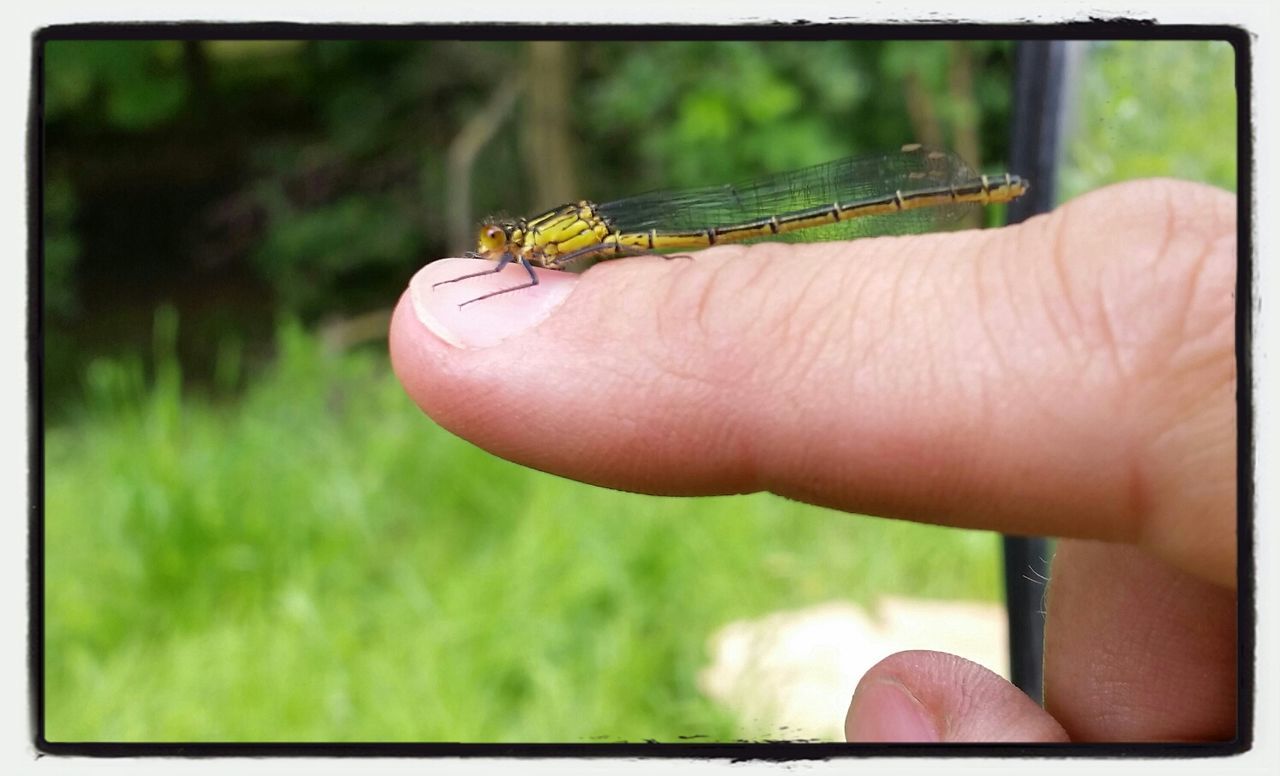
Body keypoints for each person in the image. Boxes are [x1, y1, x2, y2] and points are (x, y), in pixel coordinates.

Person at [388, 178, 1238, 742]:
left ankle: (951, 186)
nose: (501, 250)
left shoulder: (540, 253)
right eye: (499, 245)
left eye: (505, 242)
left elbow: (526, 286)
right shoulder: (531, 247)